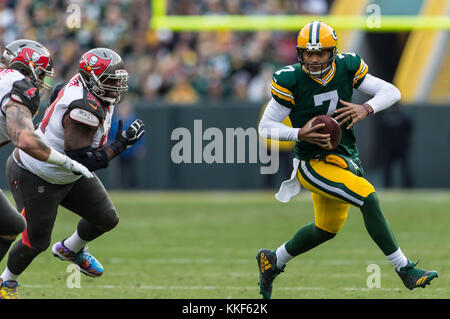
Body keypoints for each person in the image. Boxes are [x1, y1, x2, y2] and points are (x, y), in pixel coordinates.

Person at [256, 21, 437, 299]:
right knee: (368, 197)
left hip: (343, 157)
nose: (314, 60)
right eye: (308, 53)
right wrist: (299, 132)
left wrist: (366, 107)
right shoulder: (289, 79)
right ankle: (405, 270)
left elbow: (392, 91)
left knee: (325, 229)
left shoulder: (348, 66)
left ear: (333, 52)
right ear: (299, 54)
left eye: (320, 53)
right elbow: (266, 126)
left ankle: (273, 261)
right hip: (313, 163)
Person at [0, 47, 144, 299]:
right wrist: (119, 146)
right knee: (35, 241)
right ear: (92, 80)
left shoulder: (82, 87)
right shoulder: (83, 108)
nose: (116, 86)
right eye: (109, 81)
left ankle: (70, 249)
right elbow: (82, 161)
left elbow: (57, 92)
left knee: (106, 217)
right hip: (36, 173)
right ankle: (6, 282)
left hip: (66, 172)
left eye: (117, 79)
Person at [0, 39, 93, 270]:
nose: (43, 82)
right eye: (41, 75)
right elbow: (24, 139)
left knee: (10, 224)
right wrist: (64, 161)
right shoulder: (20, 86)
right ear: (26, 68)